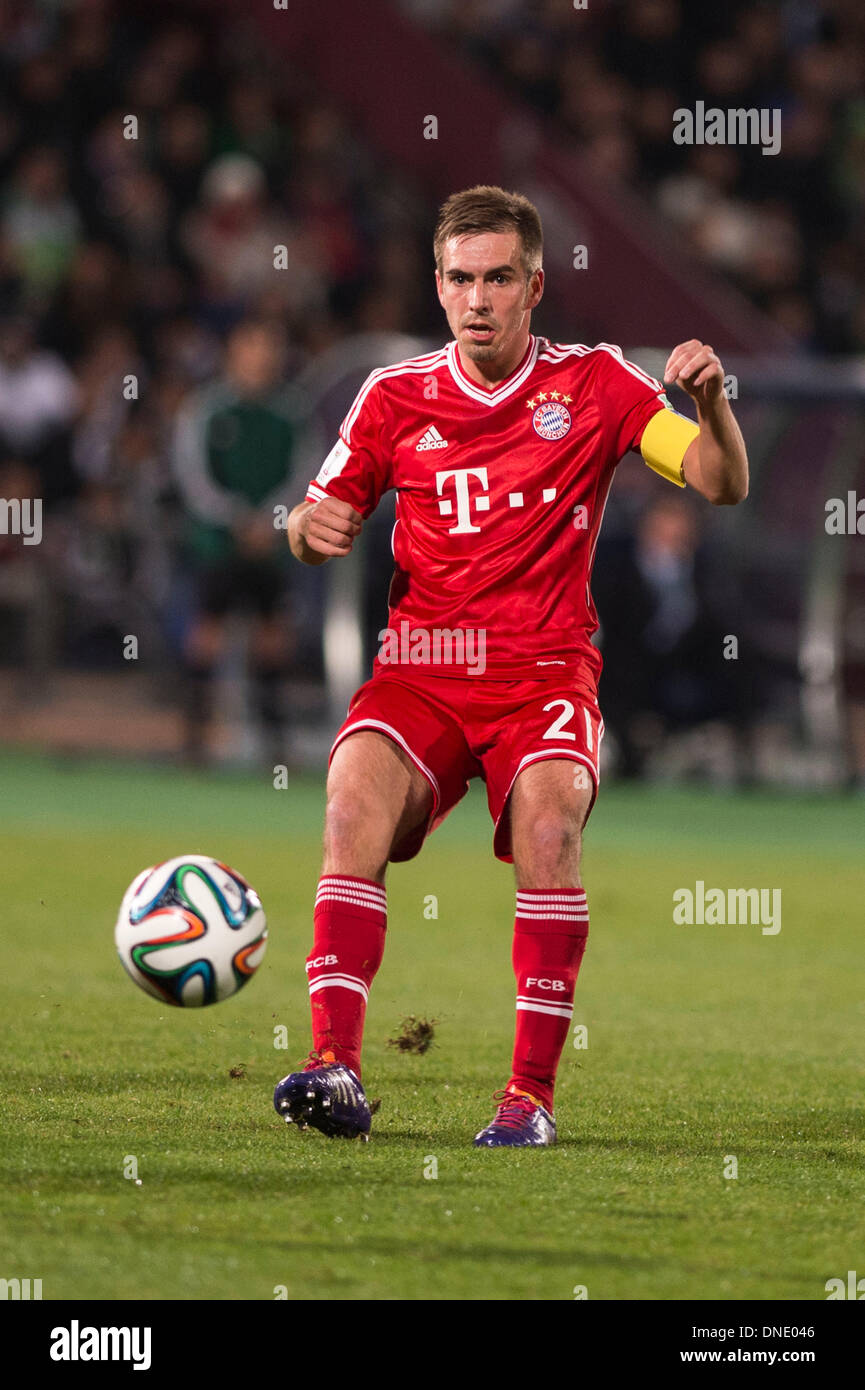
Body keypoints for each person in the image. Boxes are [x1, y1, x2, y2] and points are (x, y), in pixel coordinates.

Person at [274, 185, 748, 1147]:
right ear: (437, 287)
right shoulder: (392, 397)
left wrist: (709, 403)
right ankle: (335, 1069)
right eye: (459, 280)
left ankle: (527, 1102)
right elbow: (315, 516)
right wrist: (301, 529)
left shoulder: (598, 385)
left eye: (497, 278)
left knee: (548, 827)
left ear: (534, 287)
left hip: (543, 673)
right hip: (422, 666)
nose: (477, 298)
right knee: (350, 801)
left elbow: (717, 481)